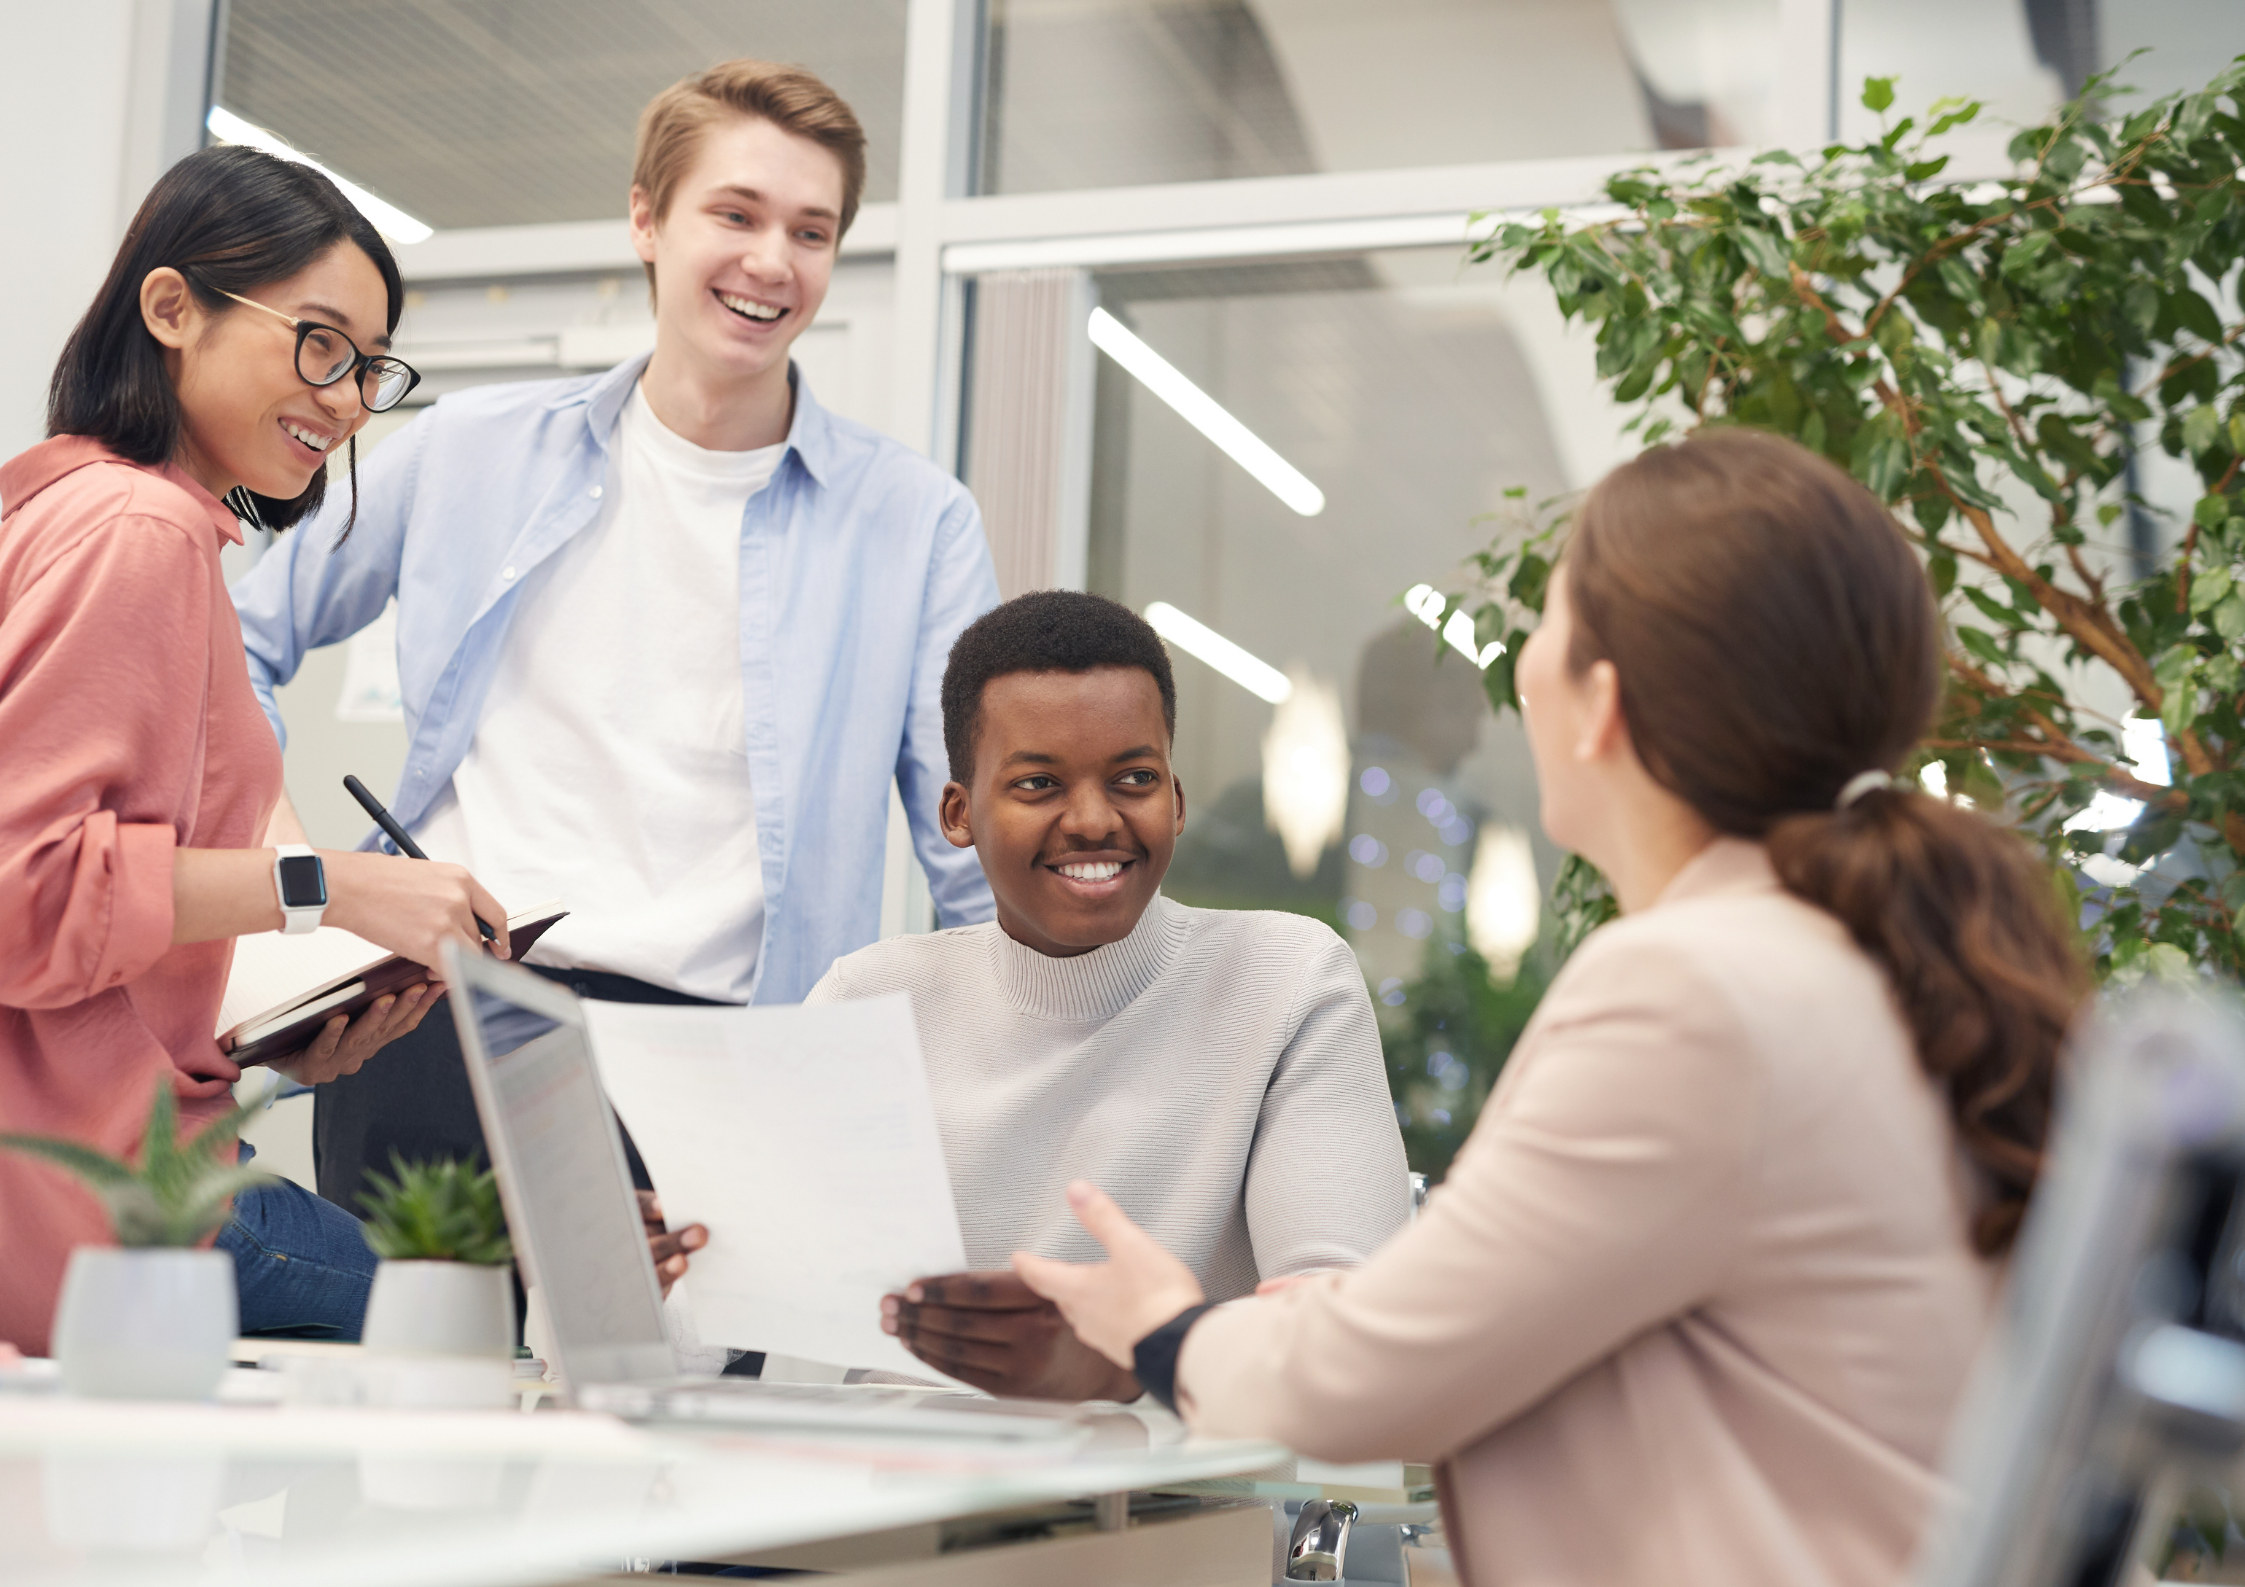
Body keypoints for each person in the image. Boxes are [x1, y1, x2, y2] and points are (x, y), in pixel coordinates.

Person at [1015, 431, 2089, 1583]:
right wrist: (1387, 1306)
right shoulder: (1858, 954)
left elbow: (1366, 1388)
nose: (1517, 672)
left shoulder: (1694, 993)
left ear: (1601, 705)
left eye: (1546, 628)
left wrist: (1166, 1327)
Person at [228, 59, 1000, 1215]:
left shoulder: (917, 523)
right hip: (443, 1026)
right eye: (734, 214)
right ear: (646, 218)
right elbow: (228, 645)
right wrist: (306, 880)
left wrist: (1011, 1087)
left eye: (811, 230)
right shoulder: (468, 451)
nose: (771, 262)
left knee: (687, 1401)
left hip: (729, 1062)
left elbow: (969, 850)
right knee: (415, 1392)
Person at [0, 146, 511, 1354]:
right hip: (93, 1197)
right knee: (467, 1329)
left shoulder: (59, 504)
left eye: (369, 368)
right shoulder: (141, 532)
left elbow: (104, 910)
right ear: (172, 307)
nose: (344, 399)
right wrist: (337, 886)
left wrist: (276, 1045)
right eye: (318, 343)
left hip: (104, 1149)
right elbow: (27, 895)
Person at [649, 591, 1411, 1398]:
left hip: (1166, 1507)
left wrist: (1124, 1361)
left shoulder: (1286, 982)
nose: (1091, 819)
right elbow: (703, 1338)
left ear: (1176, 801)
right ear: (958, 812)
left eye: (1134, 777)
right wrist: (646, 1268)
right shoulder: (866, 998)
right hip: (879, 1486)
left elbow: (1348, 1334)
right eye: (1038, 783)